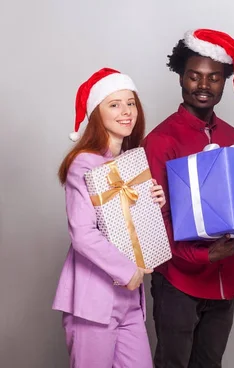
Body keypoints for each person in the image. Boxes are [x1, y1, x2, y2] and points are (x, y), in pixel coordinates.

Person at [143, 28, 234, 368]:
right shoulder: (160, 140)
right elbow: (154, 224)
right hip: (178, 280)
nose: (203, 86)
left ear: (225, 82)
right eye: (194, 76)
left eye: (214, 78)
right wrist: (203, 256)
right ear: (181, 77)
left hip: (223, 283)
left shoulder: (233, 136)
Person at [53, 68, 165, 367]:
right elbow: (83, 233)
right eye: (114, 104)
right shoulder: (83, 163)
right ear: (96, 114)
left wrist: (154, 203)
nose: (126, 111)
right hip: (93, 298)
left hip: (129, 301)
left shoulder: (129, 163)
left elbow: (127, 227)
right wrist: (128, 272)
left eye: (130, 103)